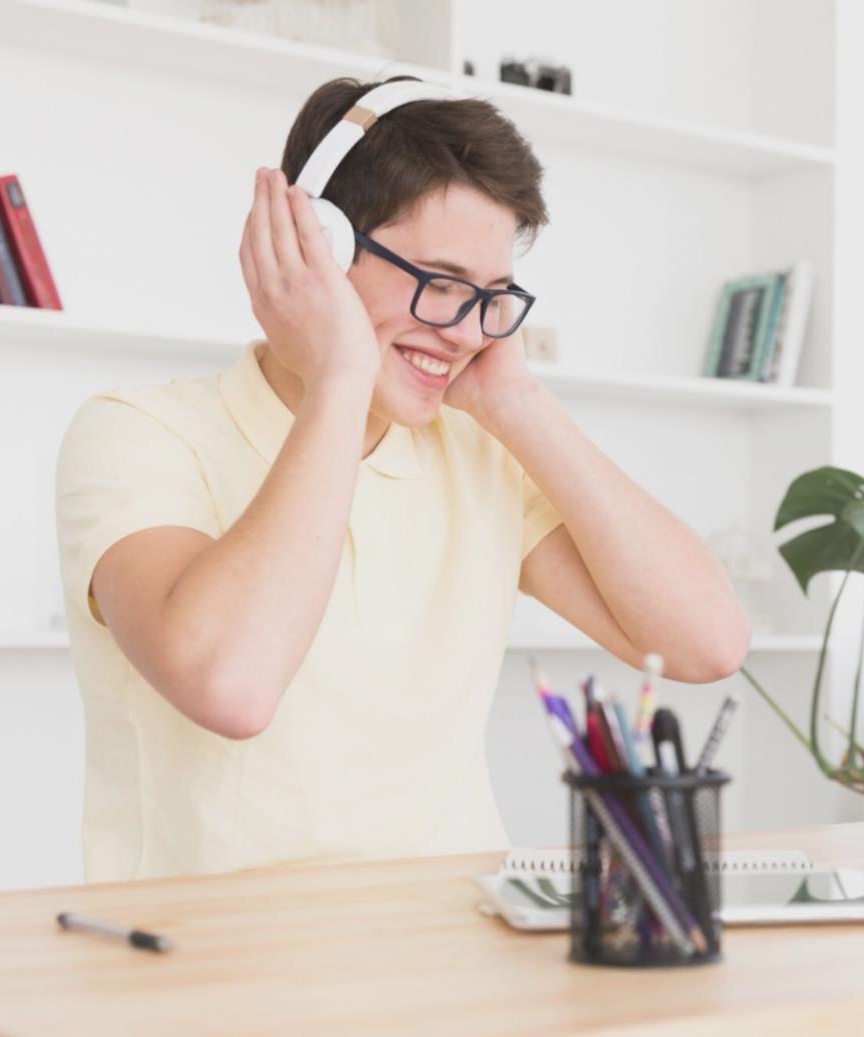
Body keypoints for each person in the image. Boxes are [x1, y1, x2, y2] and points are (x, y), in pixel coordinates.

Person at [54, 76, 750, 882]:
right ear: (317, 245)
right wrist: (341, 374)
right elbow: (232, 688)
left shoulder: (477, 449)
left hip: (452, 955)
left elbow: (707, 643)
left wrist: (518, 400)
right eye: (440, 281)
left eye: (490, 297)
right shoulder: (137, 433)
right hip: (209, 975)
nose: (461, 329)